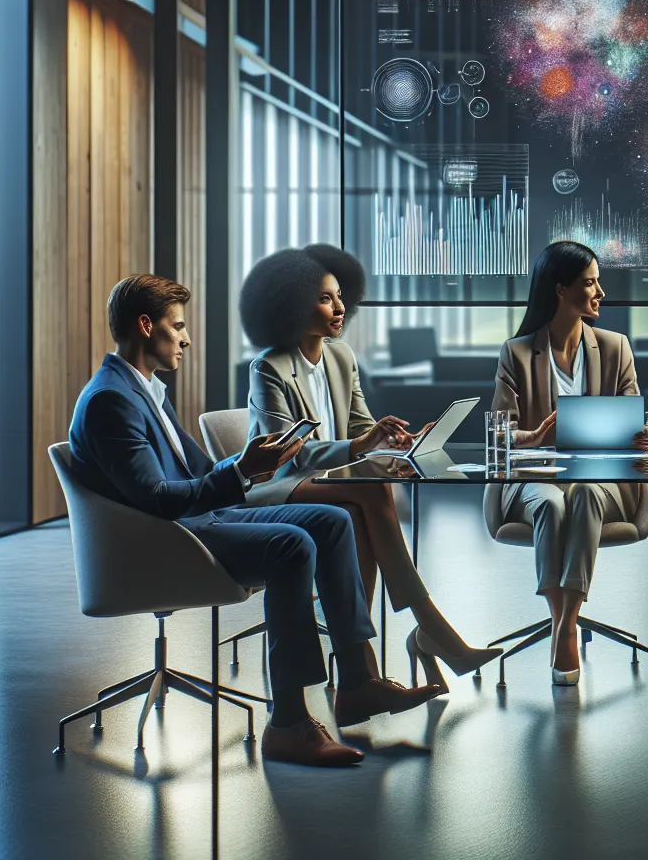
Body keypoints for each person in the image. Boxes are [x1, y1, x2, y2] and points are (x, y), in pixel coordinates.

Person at [68, 274, 437, 767]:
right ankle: (287, 722)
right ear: (144, 325)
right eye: (177, 327)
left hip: (200, 519)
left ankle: (356, 682)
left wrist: (245, 467)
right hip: (168, 541)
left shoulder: (142, 389)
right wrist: (241, 470)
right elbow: (158, 500)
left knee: (331, 521)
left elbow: (192, 472)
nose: (186, 337)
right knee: (292, 546)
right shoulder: (111, 401)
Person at [240, 245, 501, 690]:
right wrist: (365, 446)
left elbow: (362, 431)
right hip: (278, 487)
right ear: (290, 303)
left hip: (340, 487)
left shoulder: (342, 359)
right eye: (325, 298)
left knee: (362, 511)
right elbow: (291, 454)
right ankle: (430, 628)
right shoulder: (268, 368)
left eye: (341, 296)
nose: (340, 308)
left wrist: (399, 446)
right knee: (370, 495)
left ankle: (360, 666)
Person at [489, 242, 648, 687]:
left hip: (599, 479)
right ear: (561, 290)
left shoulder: (615, 347)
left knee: (581, 492)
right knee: (551, 503)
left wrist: (644, 437)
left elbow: (631, 421)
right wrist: (537, 436)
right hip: (536, 474)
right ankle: (562, 620)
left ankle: (566, 625)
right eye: (590, 283)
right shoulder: (519, 352)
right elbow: (499, 435)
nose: (600, 292)